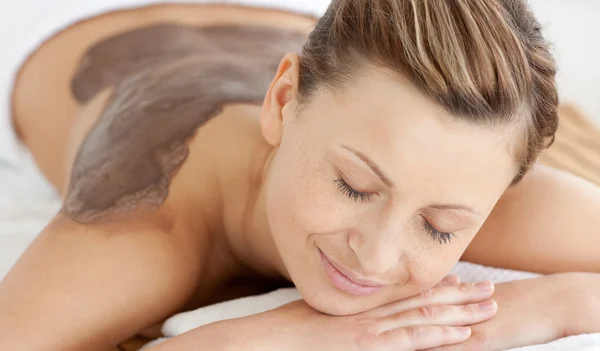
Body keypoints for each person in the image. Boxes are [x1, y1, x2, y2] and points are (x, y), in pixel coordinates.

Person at [1, 0, 600, 350]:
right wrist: (276, 337)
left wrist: (556, 303)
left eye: (439, 227)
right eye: (354, 187)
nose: (377, 256)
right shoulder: (141, 225)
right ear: (283, 100)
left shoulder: (462, 161)